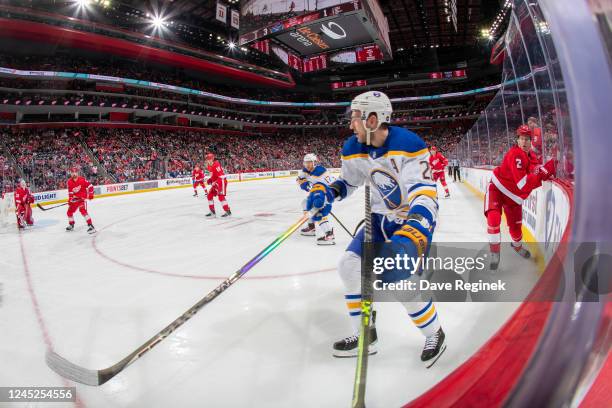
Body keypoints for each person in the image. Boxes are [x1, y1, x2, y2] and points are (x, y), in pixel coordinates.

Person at [307, 91, 446, 367]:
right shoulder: (352, 146)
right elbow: (348, 183)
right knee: (348, 265)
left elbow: (424, 193)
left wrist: (415, 225)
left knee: (397, 275)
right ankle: (365, 334)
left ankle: (435, 333)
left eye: (355, 118)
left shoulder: (408, 144)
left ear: (372, 119)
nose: (350, 125)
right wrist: (327, 193)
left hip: (414, 218)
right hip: (379, 219)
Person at [485, 125, 556, 270]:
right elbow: (523, 184)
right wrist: (542, 173)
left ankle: (517, 246)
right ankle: (495, 255)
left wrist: (543, 172)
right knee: (493, 219)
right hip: (497, 189)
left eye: (527, 139)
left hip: (514, 198)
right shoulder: (516, 154)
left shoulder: (532, 157)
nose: (524, 142)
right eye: (522, 139)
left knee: (516, 231)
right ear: (517, 140)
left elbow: (534, 174)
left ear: (531, 142)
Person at [296, 153, 335, 245]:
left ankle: (329, 234)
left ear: (314, 162)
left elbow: (307, 186)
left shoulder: (319, 170)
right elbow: (299, 179)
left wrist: (303, 182)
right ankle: (311, 227)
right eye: (305, 163)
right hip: (319, 191)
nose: (307, 165)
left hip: (329, 192)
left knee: (318, 211)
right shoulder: (307, 169)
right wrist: (302, 182)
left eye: (309, 162)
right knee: (305, 203)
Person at [66, 167, 96, 234]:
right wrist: (70, 199)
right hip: (75, 199)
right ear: (70, 173)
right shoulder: (69, 182)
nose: (74, 174)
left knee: (82, 210)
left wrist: (91, 194)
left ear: (77, 173)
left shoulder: (82, 180)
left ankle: (90, 225)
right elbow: (70, 192)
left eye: (75, 172)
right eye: (72, 172)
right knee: (69, 212)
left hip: (82, 199)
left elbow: (90, 186)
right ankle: (71, 224)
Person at [205, 153, 231, 217]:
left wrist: (215, 182)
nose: (208, 161)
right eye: (207, 159)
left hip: (221, 181)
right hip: (216, 182)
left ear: (212, 159)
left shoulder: (216, 165)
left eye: (209, 159)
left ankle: (227, 211)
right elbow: (214, 175)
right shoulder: (209, 166)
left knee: (220, 196)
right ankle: (212, 211)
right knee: (209, 195)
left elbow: (221, 176)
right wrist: (210, 180)